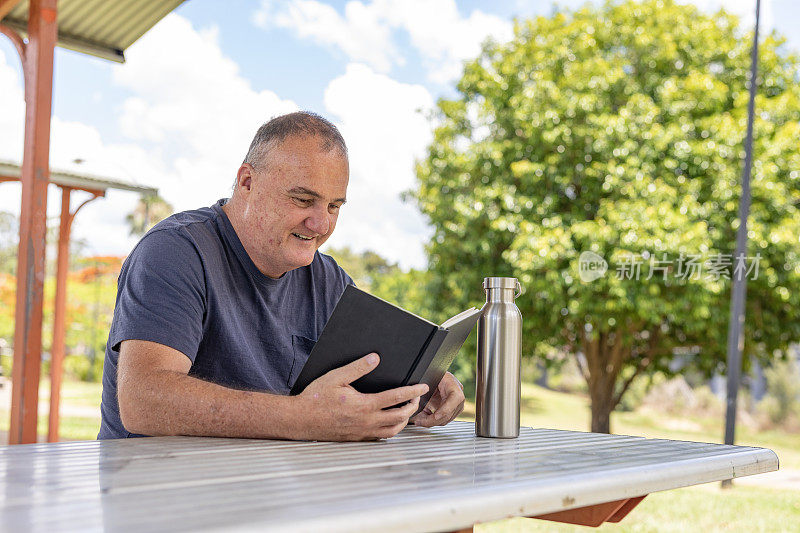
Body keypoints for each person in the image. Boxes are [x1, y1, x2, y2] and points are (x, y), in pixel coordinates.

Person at [98, 111, 465, 441]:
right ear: (246, 183)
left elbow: (347, 393)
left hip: (260, 494)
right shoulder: (175, 252)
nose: (321, 224)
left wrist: (412, 389)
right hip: (155, 499)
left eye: (334, 206)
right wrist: (300, 418)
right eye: (303, 200)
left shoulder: (327, 280)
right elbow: (143, 400)